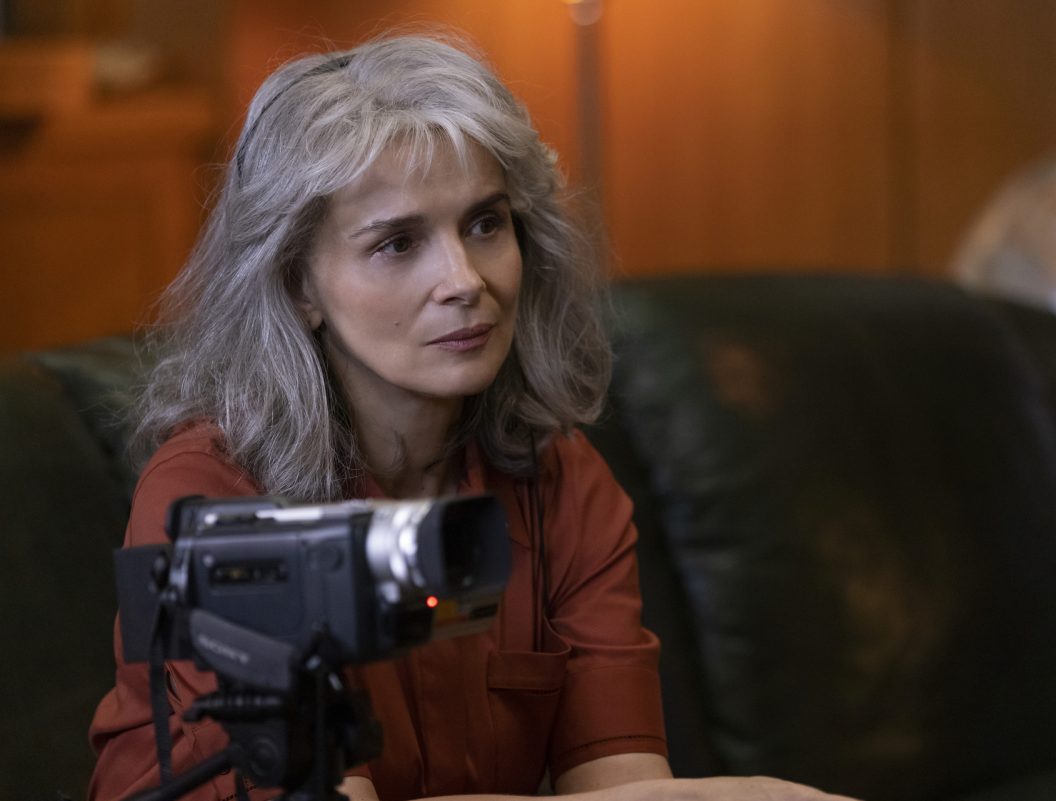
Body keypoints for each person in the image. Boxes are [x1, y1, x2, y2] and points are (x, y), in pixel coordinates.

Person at [88, 34, 855, 801]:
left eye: (485, 224)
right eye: (398, 243)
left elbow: (623, 783)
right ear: (299, 286)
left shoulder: (563, 484)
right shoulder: (210, 495)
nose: (463, 280)